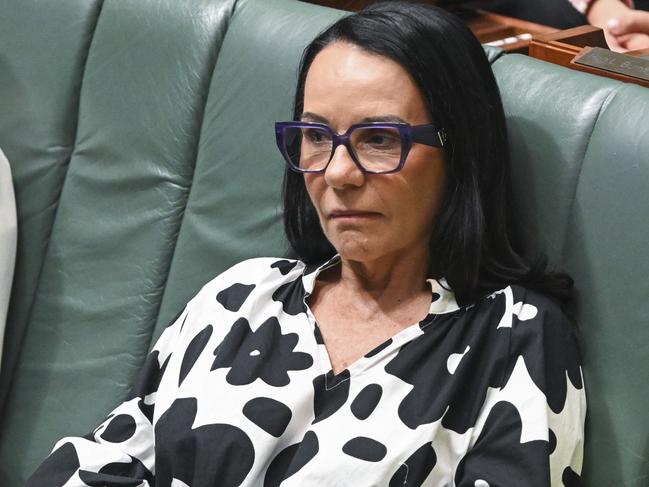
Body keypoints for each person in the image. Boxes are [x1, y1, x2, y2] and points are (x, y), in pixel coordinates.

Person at [27, 2, 586, 486]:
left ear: (459, 152)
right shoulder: (241, 297)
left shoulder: (513, 338)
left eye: (380, 138)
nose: (338, 172)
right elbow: (106, 456)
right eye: (316, 136)